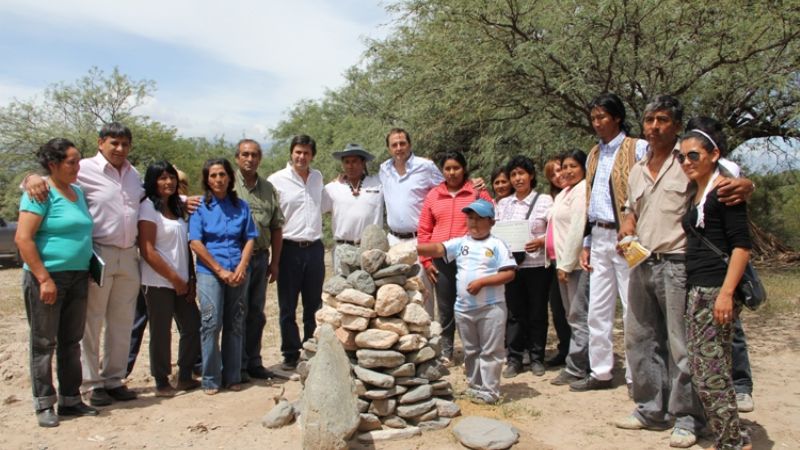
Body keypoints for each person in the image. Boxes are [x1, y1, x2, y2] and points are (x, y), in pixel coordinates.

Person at [615, 99, 756, 448]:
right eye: (649, 120)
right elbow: (631, 209)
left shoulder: (690, 159)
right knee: (640, 339)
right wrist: (626, 226)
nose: (654, 126)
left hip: (678, 264)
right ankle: (650, 408)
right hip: (641, 262)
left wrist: (748, 185)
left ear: (677, 126)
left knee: (682, 346)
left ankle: (687, 417)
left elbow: (733, 180)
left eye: (663, 120)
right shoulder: (636, 170)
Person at [679, 127, 753, 450]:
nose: (686, 162)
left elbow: (741, 247)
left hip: (715, 291)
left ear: (714, 155)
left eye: (694, 155)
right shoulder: (696, 191)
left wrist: (725, 293)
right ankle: (732, 433)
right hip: (697, 288)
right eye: (682, 157)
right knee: (703, 368)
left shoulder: (725, 191)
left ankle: (731, 441)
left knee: (711, 372)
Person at [16, 138, 98, 427]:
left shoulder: (76, 191)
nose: (77, 167)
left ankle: (71, 399)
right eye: (71, 162)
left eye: (78, 161)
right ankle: (44, 404)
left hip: (78, 277)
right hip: (48, 278)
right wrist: (44, 278)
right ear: (53, 165)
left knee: (70, 342)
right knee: (43, 342)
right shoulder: (39, 193)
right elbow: (23, 239)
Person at [572, 93, 648, 392]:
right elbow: (592, 201)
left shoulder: (637, 147)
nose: (597, 122)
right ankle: (600, 372)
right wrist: (587, 242)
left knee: (633, 308)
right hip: (599, 236)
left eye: (602, 116)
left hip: (628, 237)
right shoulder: (593, 154)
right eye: (593, 118)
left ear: (617, 117)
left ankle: (636, 376)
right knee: (598, 310)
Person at [417, 199, 516, 404]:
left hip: (491, 308)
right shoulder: (461, 243)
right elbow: (438, 249)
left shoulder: (497, 245)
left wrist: (483, 282)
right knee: (471, 351)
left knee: (490, 351)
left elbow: (509, 273)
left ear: (491, 222)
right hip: (463, 309)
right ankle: (475, 386)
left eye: (479, 219)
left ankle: (490, 391)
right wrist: (414, 249)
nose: (474, 223)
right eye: (470, 218)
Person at [417, 150, 492, 365]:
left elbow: (490, 215)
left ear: (464, 168)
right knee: (445, 305)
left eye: (456, 168)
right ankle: (447, 351)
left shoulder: (475, 192)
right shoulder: (433, 195)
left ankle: (476, 351)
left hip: (470, 258)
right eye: (447, 169)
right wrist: (427, 261)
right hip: (442, 260)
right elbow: (424, 230)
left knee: (472, 304)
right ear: (442, 171)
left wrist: (484, 191)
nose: (452, 173)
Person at [189, 158, 257, 394]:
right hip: (210, 272)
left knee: (235, 323)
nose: (218, 179)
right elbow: (195, 242)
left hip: (238, 271)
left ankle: (233, 375)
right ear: (207, 179)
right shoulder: (199, 207)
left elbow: (250, 237)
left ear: (230, 177)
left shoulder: (241, 206)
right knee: (211, 323)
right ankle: (210, 377)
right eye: (213, 175)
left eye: (222, 175)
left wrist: (241, 267)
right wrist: (220, 270)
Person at [138, 161, 201, 397]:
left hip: (183, 280)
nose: (168, 182)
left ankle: (184, 374)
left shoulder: (178, 208)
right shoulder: (147, 209)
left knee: (192, 325)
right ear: (153, 181)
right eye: (162, 178)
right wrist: (174, 278)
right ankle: (161, 379)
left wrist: (189, 279)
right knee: (161, 331)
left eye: (172, 178)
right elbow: (147, 250)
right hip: (158, 281)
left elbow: (186, 247)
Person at [267, 135, 325, 371]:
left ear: (312, 155)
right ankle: (290, 353)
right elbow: (272, 220)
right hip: (289, 248)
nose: (301, 157)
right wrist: (275, 258)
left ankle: (312, 348)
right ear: (291, 153)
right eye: (298, 152)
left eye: (306, 153)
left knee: (314, 304)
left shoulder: (318, 178)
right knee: (288, 305)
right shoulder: (276, 181)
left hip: (314, 248)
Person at [495, 155, 554, 378]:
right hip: (513, 267)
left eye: (521, 173)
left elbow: (555, 228)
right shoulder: (503, 204)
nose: (518, 178)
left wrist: (541, 241)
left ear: (531, 175)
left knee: (537, 311)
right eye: (513, 175)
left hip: (538, 265)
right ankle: (515, 358)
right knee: (515, 313)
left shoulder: (545, 201)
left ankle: (537, 357)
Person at [233, 139, 285, 381]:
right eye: (245, 154)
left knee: (256, 312)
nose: (249, 159)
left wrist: (275, 262)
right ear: (237, 157)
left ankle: (254, 361)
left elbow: (276, 226)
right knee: (236, 312)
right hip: (234, 258)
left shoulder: (268, 188)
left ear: (259, 158)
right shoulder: (227, 184)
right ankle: (236, 365)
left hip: (261, 258)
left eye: (254, 155)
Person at [379, 128, 444, 317]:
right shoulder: (384, 169)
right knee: (398, 289)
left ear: (409, 144)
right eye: (394, 145)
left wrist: (472, 184)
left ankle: (429, 338)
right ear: (389, 148)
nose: (399, 148)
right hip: (393, 241)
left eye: (402, 143)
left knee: (423, 289)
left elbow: (446, 189)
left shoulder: (426, 166)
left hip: (420, 240)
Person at [548, 149, 590, 386]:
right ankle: (580, 361)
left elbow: (576, 228)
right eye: (564, 167)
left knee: (578, 314)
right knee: (570, 314)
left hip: (575, 265)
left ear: (584, 168)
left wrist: (566, 263)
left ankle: (578, 366)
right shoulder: (565, 192)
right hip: (561, 263)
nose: (567, 171)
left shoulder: (582, 190)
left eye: (573, 166)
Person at [322, 143, 383, 272]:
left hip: (372, 251)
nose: (350, 166)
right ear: (342, 164)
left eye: (355, 161)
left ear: (363, 163)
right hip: (342, 250)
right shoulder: (332, 188)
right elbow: (316, 209)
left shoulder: (378, 183)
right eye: (347, 162)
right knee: (344, 290)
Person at [543, 156, 571, 367]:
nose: (558, 176)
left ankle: (578, 354)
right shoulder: (554, 198)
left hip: (569, 260)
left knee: (575, 309)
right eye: (552, 174)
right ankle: (565, 349)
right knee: (558, 309)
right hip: (552, 262)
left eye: (560, 170)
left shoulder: (577, 194)